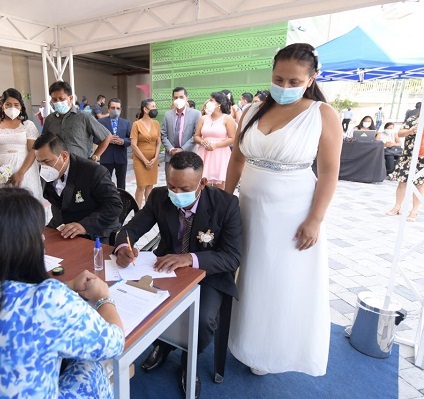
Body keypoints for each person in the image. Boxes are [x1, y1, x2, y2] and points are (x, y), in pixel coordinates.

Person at [0, 188, 125, 398]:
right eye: (39, 234)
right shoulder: (46, 300)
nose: (43, 241)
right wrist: (103, 298)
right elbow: (115, 343)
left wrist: (69, 285)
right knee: (93, 367)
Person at [226, 43, 342, 377]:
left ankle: (271, 350)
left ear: (311, 79)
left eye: (294, 82)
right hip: (248, 204)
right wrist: (223, 200)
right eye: (279, 79)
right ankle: (243, 338)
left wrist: (315, 219)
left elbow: (330, 172)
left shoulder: (322, 114)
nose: (285, 87)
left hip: (292, 211)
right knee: (247, 273)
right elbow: (237, 158)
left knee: (279, 281)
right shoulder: (252, 111)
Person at [115, 151, 242, 397]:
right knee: (140, 301)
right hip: (164, 266)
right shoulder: (160, 197)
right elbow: (131, 228)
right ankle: (162, 344)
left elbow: (232, 257)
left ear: (202, 183)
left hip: (208, 274)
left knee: (204, 320)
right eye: (171, 185)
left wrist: (189, 258)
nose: (176, 194)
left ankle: (188, 357)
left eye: (184, 188)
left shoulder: (226, 205)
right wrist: (123, 247)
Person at [33, 132, 122, 242]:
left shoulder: (93, 172)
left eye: (46, 161)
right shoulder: (45, 172)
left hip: (94, 231)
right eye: (39, 162)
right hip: (62, 227)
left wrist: (84, 226)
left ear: (64, 156)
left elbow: (114, 205)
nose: (43, 167)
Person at [0, 88, 43, 201]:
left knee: (27, 202)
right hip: (2, 167)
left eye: (16, 105)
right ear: (2, 106)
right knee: (6, 203)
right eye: (8, 104)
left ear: (21, 107)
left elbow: (33, 150)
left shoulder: (28, 125)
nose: (12, 108)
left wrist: (21, 173)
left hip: (26, 169)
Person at [42, 81, 111, 161]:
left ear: (70, 98)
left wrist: (94, 157)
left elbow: (107, 136)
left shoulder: (84, 117)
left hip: (79, 165)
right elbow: (44, 141)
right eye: (54, 100)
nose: (58, 102)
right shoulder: (50, 119)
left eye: (61, 99)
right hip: (56, 166)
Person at [194, 92, 236, 189]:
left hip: (220, 154)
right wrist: (202, 141)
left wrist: (216, 145)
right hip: (204, 152)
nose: (208, 102)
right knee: (203, 184)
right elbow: (196, 136)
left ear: (219, 103)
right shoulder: (203, 118)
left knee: (220, 186)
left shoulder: (227, 118)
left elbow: (232, 138)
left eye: (211, 100)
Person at [388, 115, 424, 222]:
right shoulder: (413, 119)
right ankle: (397, 207)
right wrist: (410, 131)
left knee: (419, 185)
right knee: (402, 182)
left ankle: (414, 211)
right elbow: (400, 133)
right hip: (408, 156)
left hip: (422, 158)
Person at [161, 87, 201, 177]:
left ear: (187, 98)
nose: (178, 100)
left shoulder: (196, 114)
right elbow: (163, 134)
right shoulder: (167, 114)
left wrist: (182, 149)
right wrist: (171, 149)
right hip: (171, 155)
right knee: (171, 184)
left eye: (181, 97)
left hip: (188, 155)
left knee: (187, 185)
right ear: (172, 99)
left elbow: (196, 134)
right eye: (176, 98)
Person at [131, 98, 161, 207]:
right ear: (145, 109)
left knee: (150, 186)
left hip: (153, 159)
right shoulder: (136, 124)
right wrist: (144, 160)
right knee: (141, 186)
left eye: (155, 106)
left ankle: (149, 210)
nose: (155, 109)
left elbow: (158, 142)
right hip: (140, 160)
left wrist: (155, 158)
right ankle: (137, 210)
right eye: (153, 106)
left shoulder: (156, 123)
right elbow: (133, 145)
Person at [98, 98, 131, 190]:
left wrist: (123, 141)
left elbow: (131, 139)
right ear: (108, 109)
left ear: (120, 109)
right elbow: (94, 138)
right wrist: (107, 140)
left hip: (121, 157)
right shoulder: (100, 122)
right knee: (104, 183)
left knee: (121, 184)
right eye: (113, 108)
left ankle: (122, 202)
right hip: (106, 157)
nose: (115, 110)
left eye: (118, 108)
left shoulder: (126, 123)